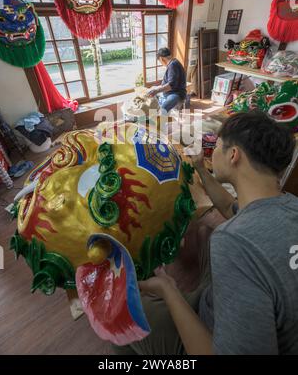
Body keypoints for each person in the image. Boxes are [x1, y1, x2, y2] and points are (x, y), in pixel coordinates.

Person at [113, 111, 298, 355]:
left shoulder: (233, 242)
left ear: (233, 155)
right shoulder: (290, 204)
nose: (213, 149)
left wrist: (167, 289)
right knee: (205, 232)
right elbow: (230, 206)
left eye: (217, 144)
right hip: (233, 307)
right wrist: (200, 167)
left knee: (122, 317)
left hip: (211, 336)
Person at [147, 47, 186, 113]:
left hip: (176, 94)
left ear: (161, 59)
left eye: (160, 61)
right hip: (172, 92)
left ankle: (159, 122)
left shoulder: (173, 65)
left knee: (163, 110)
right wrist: (156, 89)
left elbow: (171, 85)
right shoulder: (174, 62)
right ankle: (159, 118)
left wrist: (156, 90)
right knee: (152, 92)